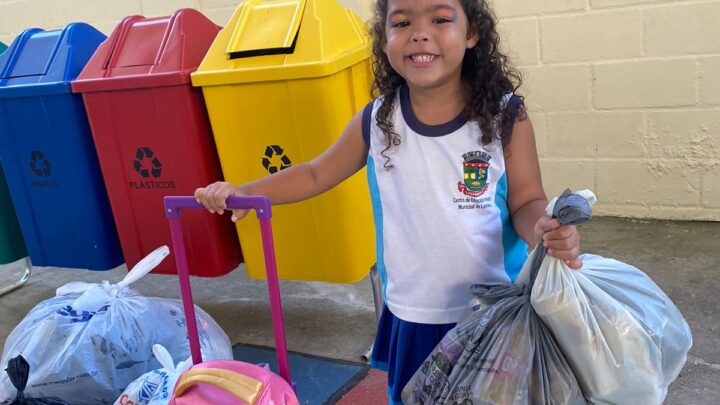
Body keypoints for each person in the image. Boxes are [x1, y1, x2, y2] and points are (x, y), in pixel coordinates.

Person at [194, 0, 582, 403]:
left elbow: (527, 201)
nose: (419, 31)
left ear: (472, 34)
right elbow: (314, 173)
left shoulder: (504, 117)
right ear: (384, 41)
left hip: (491, 315)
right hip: (413, 316)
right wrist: (245, 191)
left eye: (440, 18)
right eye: (402, 22)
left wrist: (543, 230)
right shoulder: (377, 121)